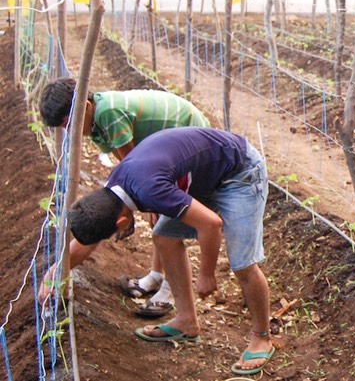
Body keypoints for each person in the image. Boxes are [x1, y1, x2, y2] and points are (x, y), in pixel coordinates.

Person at [39, 127, 274, 375]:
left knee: (242, 264)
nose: (117, 236)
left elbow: (211, 224)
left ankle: (262, 336)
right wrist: (54, 274)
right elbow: (90, 239)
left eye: (114, 234)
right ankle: (186, 321)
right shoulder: (112, 190)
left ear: (120, 223)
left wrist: (207, 273)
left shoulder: (149, 190)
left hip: (240, 172)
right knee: (164, 236)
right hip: (209, 172)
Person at [39, 77, 210, 317]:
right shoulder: (98, 117)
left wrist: (149, 201)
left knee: (165, 222)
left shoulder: (108, 114)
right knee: (155, 214)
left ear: (84, 107)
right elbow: (131, 164)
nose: (69, 131)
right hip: (166, 149)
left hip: (192, 141)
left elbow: (136, 163)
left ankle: (170, 291)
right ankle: (156, 276)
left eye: (68, 124)